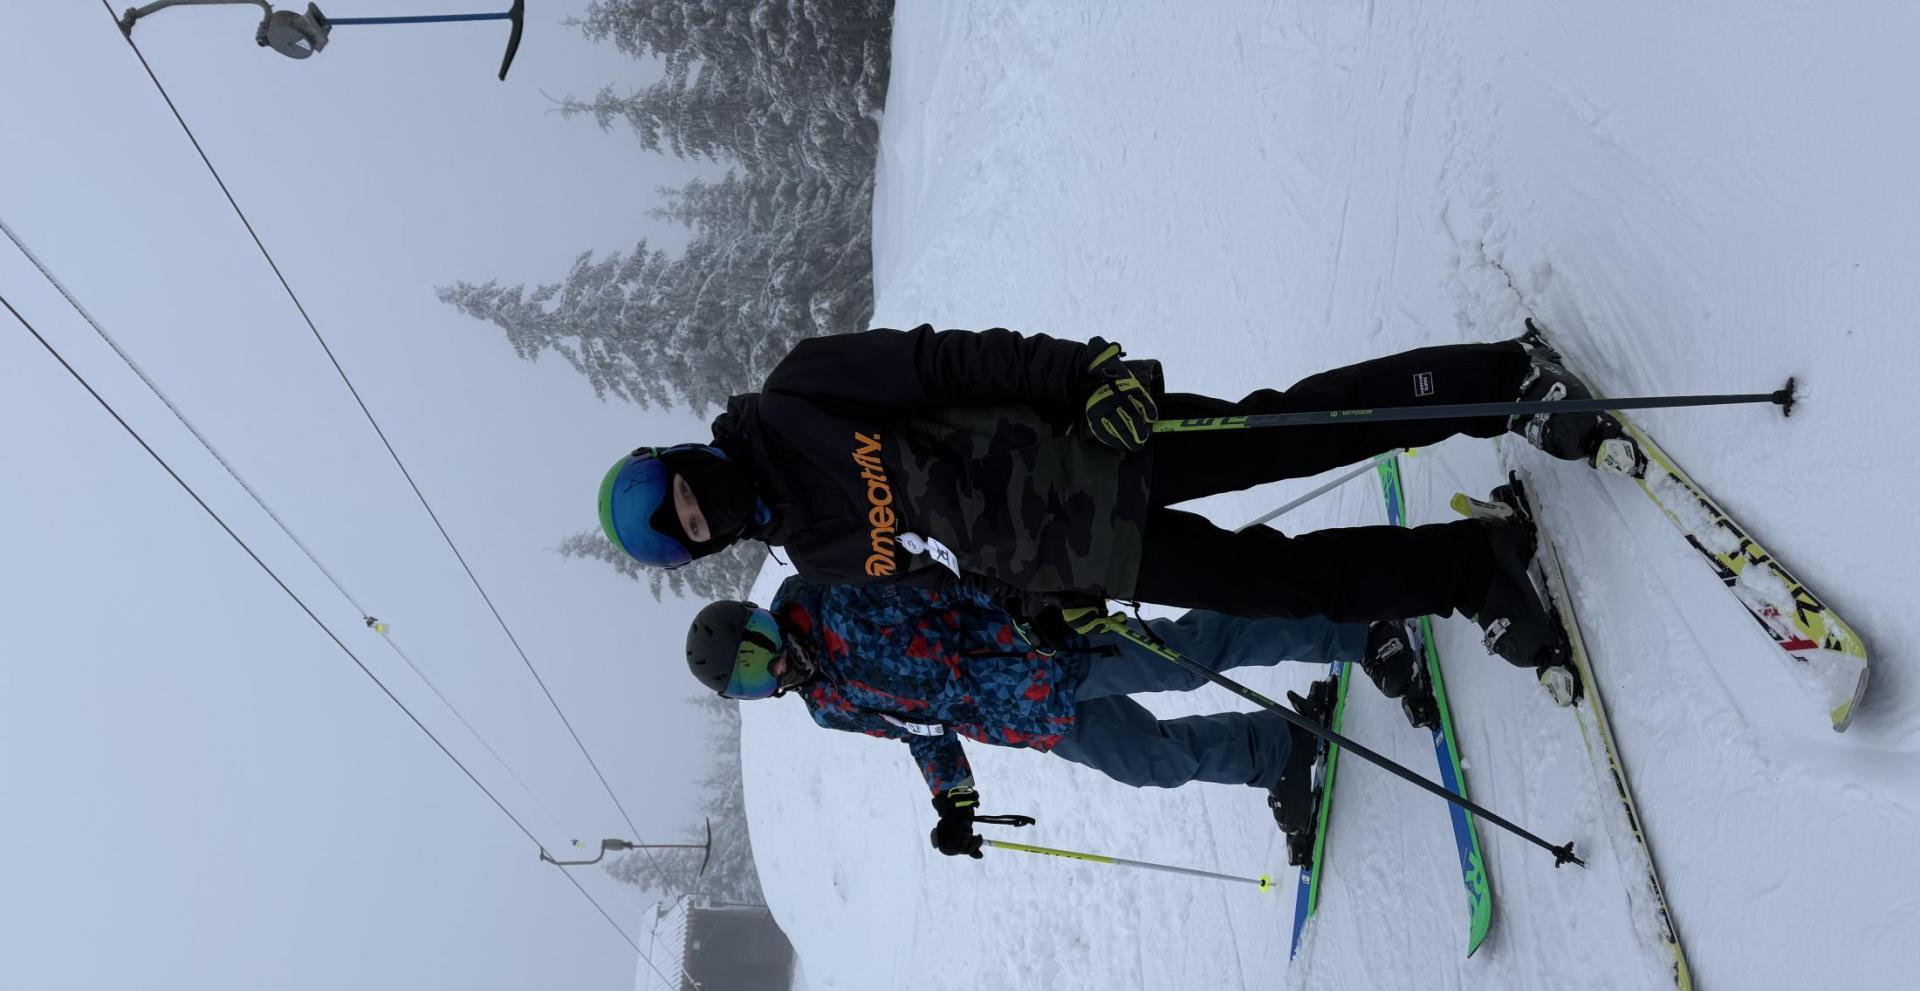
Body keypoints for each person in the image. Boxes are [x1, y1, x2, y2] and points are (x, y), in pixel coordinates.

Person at [600, 325, 1612, 669]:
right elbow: (948, 572)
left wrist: (1086, 374)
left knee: (1300, 430)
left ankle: (1501, 384)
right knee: (1287, 589)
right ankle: (1473, 569)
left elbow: (947, 362)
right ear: (707, 548)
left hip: (1093, 448)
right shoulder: (816, 559)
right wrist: (1042, 608)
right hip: (1087, 555)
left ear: (687, 456)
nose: (706, 510)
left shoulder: (795, 398)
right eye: (695, 528)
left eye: (689, 492)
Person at [684, 579, 1416, 859]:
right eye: (748, 681)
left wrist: (1032, 601)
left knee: (1193, 654)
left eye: (756, 652)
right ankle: (1277, 751)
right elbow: (924, 730)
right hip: (1031, 719)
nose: (769, 671)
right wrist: (954, 800)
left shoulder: (836, 594)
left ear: (761, 622)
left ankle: (1356, 627)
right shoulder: (828, 706)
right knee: (1149, 763)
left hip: (1046, 648)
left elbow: (945, 577)